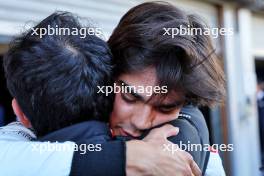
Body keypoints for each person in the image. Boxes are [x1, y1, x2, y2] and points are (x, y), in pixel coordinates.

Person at [0, 2, 226, 176]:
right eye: (129, 96)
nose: (140, 121)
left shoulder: (190, 151)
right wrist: (123, 158)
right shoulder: (59, 113)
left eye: (165, 108)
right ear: (108, 71)